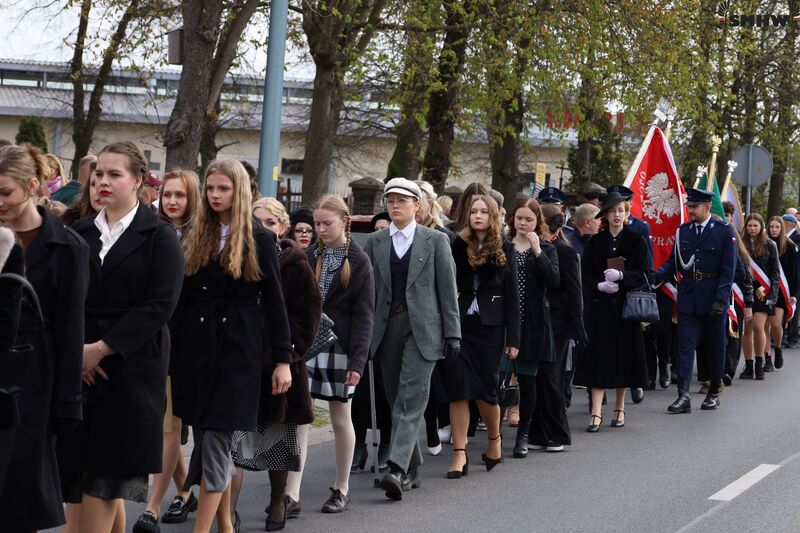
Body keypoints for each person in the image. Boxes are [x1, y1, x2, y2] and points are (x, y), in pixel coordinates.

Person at [66, 141, 184, 533]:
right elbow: (65, 300)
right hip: (80, 369)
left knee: (106, 477)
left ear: (137, 181)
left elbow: (158, 307)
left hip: (132, 370)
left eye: (114, 174)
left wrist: (100, 350)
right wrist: (77, 354)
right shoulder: (79, 231)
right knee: (86, 478)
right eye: (98, 173)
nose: (102, 181)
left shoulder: (160, 236)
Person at [172, 159, 291, 533]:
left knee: (218, 439)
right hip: (198, 347)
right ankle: (225, 524)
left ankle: (203, 529)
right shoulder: (197, 233)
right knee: (206, 435)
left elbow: (276, 304)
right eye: (210, 188)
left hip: (239, 348)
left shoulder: (259, 238)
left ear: (238, 191)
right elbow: (182, 298)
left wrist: (283, 360)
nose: (214, 195)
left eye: (223, 188)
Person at [0, 144, 89, 533]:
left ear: (32, 186)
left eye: (5, 193)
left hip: (33, 380)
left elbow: (71, 329)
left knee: (20, 497)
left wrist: (67, 405)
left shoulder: (68, 247)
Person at [365, 178, 460, 501]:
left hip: (425, 329)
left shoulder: (435, 241)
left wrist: (453, 332)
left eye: (402, 201)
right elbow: (368, 293)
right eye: (390, 200)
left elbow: (448, 291)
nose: (395, 206)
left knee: (412, 399)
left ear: (417, 206)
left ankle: (396, 468)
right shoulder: (376, 241)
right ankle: (413, 468)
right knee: (396, 400)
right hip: (387, 327)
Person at [232, 195, 320, 531]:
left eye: (270, 222)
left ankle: (276, 502)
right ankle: (230, 508)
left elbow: (307, 315)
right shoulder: (239, 257)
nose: (263, 228)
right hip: (242, 360)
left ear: (282, 227)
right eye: (257, 222)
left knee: (278, 436)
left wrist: (286, 356)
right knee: (236, 440)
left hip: (280, 362)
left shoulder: (294, 263)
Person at [285, 195, 375, 516]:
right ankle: (291, 494)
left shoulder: (360, 260)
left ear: (344, 222)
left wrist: (357, 363)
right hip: (307, 344)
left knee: (340, 417)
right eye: (317, 224)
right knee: (301, 418)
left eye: (327, 223)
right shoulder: (307, 256)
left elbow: (365, 317)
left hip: (342, 348)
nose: (320, 229)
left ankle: (342, 488)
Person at [132, 169, 202, 533]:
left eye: (181, 195)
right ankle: (185, 489)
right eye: (169, 195)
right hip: (152, 338)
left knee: (170, 424)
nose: (173, 201)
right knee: (161, 421)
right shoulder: (152, 232)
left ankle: (152, 508)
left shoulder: (202, 237)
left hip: (187, 343)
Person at [445, 195, 520, 476]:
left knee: (486, 392)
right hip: (460, 326)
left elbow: (513, 296)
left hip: (490, 329)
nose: (477, 216)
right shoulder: (456, 244)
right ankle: (459, 454)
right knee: (458, 390)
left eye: (483, 212)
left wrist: (514, 339)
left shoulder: (505, 247)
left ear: (492, 216)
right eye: (473, 211)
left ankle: (494, 438)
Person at [574, 192, 650, 430]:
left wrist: (623, 276)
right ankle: (596, 412)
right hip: (600, 308)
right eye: (612, 211)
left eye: (621, 210)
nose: (617, 215)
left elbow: (646, 273)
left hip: (626, 309)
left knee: (623, 358)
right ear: (605, 215)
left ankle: (620, 407)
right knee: (599, 358)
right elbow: (585, 275)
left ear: (627, 213)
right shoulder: (596, 241)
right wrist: (598, 285)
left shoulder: (637, 240)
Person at [655, 189, 736, 412]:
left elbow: (728, 271)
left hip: (713, 298)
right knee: (684, 347)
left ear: (707, 207)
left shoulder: (723, 232)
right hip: (689, 297)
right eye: (689, 206)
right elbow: (673, 264)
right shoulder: (683, 231)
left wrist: (721, 299)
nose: (690, 210)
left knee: (715, 347)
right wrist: (653, 276)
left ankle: (713, 392)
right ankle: (683, 395)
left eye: (694, 206)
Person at [501, 200, 560, 458]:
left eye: (529, 220)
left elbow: (555, 281)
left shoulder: (546, 248)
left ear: (538, 222)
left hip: (533, 324)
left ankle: (523, 434)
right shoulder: (503, 246)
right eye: (520, 218)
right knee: (497, 379)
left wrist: (538, 252)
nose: (523, 224)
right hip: (504, 322)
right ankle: (494, 432)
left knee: (528, 381)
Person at [528, 202, 584, 452]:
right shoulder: (536, 248)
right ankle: (539, 431)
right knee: (538, 378)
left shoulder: (564, 251)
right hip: (539, 320)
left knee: (552, 378)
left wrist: (576, 325)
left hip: (559, 323)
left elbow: (574, 291)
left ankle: (558, 433)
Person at [352, 211, 392, 472]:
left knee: (385, 393)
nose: (379, 233)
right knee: (359, 395)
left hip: (389, 330)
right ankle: (359, 446)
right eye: (375, 229)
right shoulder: (367, 254)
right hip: (366, 327)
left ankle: (387, 444)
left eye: (383, 228)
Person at [739, 213, 780, 381]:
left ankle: (759, 363)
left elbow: (775, 272)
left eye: (755, 226)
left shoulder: (770, 245)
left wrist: (773, 295)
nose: (752, 229)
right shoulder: (741, 244)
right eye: (750, 226)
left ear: (761, 227)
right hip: (745, 290)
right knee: (747, 329)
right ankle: (748, 366)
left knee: (758, 326)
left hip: (763, 291)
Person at [765, 216, 797, 371]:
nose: (774, 230)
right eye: (771, 227)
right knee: (763, 326)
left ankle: (777, 348)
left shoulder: (790, 247)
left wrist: (793, 294)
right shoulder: (763, 244)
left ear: (782, 228)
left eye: (777, 227)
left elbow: (793, 273)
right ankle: (767, 358)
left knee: (776, 325)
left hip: (782, 292)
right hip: (764, 290)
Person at [782, 213, 800, 348]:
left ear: (787, 224)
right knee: (783, 306)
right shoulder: (783, 238)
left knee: (794, 306)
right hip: (785, 276)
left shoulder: (797, 238)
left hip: (796, 277)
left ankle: (793, 337)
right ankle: (783, 335)